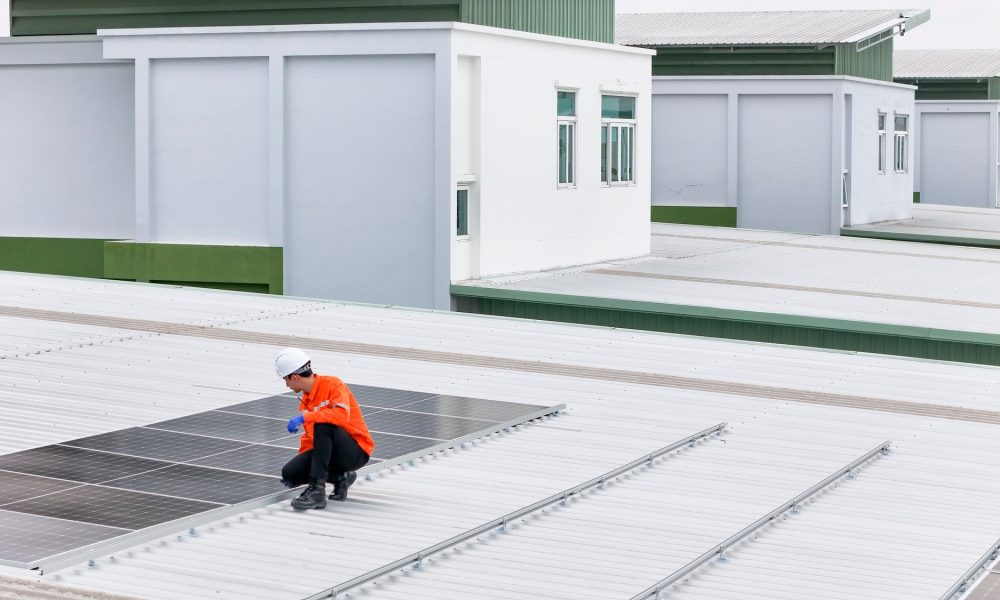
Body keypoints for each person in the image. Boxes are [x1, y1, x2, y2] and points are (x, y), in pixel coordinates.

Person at [274, 348, 374, 510]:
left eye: (286, 380)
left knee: (324, 422)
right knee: (290, 473)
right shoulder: (305, 403)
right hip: (330, 454)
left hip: (354, 452)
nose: (287, 385)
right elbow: (311, 439)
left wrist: (305, 418)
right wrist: (301, 467)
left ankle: (317, 493)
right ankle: (341, 478)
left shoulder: (332, 384)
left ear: (294, 377)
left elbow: (340, 416)